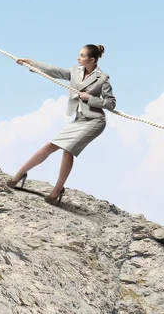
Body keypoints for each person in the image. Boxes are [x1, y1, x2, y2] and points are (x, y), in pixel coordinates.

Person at [7, 44, 116, 205]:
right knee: (49, 146)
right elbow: (54, 70)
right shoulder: (75, 71)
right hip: (78, 119)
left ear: (92, 60)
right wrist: (31, 62)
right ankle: (19, 175)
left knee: (67, 150)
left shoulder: (103, 78)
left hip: (94, 121)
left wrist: (90, 98)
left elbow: (111, 103)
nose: (78, 58)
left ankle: (57, 190)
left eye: (82, 55)